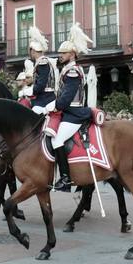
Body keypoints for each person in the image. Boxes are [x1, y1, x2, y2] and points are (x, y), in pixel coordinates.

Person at [44, 23, 95, 191]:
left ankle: (65, 178)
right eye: (60, 52)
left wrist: (52, 106)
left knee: (57, 139)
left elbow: (66, 99)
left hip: (75, 113)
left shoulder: (73, 71)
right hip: (69, 112)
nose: (60, 55)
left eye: (63, 53)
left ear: (72, 54)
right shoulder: (67, 68)